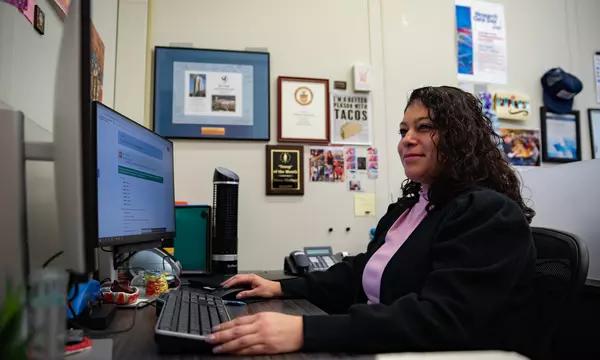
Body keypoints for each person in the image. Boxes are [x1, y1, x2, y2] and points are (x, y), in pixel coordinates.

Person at [208, 86, 537, 356]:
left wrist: (305, 330)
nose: (406, 139)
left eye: (424, 127)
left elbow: (441, 319)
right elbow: (359, 272)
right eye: (403, 130)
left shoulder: (489, 213)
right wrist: (280, 286)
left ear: (460, 138)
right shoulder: (412, 207)